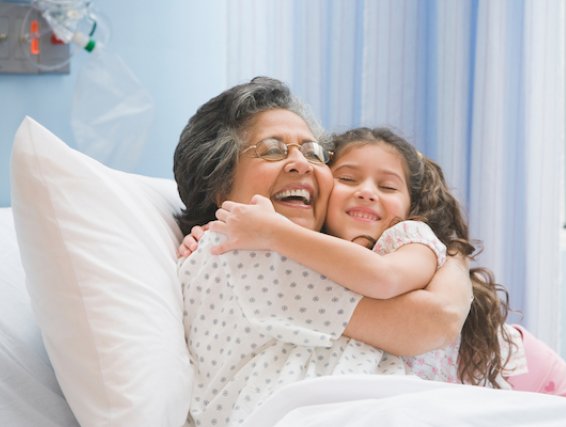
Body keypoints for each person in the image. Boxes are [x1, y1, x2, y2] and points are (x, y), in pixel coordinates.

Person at [180, 126, 566, 400]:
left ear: (413, 203)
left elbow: (385, 280)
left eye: (388, 186)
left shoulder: (409, 240)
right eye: (347, 178)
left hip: (521, 372)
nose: (366, 193)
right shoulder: (307, 253)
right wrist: (210, 230)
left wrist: (274, 232)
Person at [174, 77, 473, 426]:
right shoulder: (244, 253)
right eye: (273, 150)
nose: (301, 164)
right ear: (220, 186)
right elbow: (431, 323)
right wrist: (453, 257)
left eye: (314, 153)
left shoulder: (302, 251)